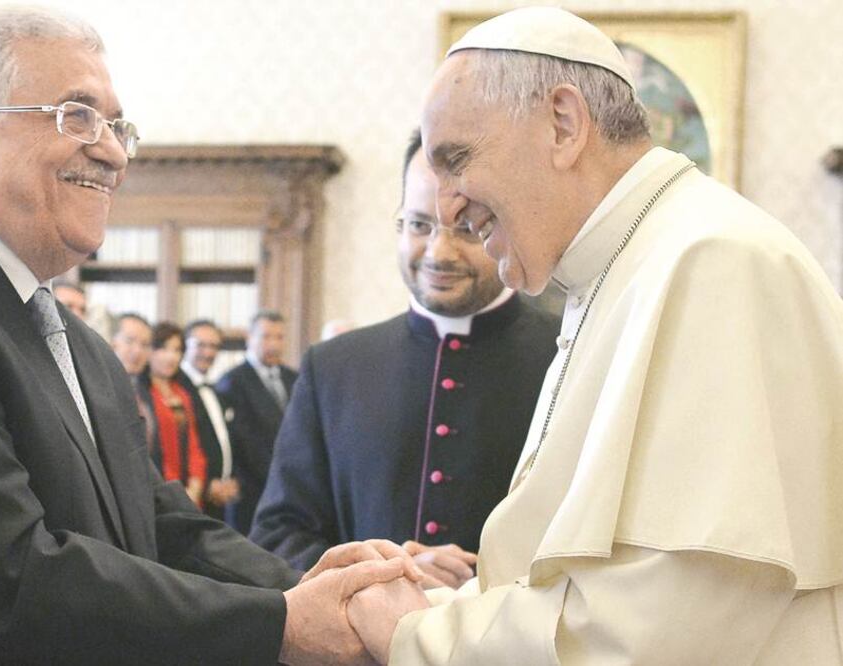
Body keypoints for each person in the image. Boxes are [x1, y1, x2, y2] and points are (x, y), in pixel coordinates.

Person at [0, 7, 421, 664]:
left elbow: (161, 528)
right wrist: (280, 624)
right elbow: (6, 577)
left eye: (116, 125)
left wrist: (315, 589)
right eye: (76, 114)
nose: (111, 151)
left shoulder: (76, 342)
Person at [346, 7, 843, 664]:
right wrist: (433, 606)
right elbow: (561, 585)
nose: (448, 211)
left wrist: (413, 633)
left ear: (562, 124)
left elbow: (667, 627)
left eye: (456, 160)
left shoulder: (711, 262)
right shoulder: (615, 273)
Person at [250, 129, 559, 587]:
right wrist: (384, 575)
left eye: (467, 229)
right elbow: (276, 537)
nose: (439, 252)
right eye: (420, 225)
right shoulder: (334, 367)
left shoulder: (568, 356)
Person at [216, 310, 298, 535]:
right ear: (249, 338)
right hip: (251, 494)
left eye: (279, 337)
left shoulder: (294, 378)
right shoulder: (231, 381)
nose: (273, 344)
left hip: (291, 493)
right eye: (266, 336)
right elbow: (242, 440)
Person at [178, 318, 241, 522]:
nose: (208, 352)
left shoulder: (217, 390)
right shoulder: (176, 388)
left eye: (214, 346)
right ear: (185, 346)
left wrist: (230, 481)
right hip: (189, 498)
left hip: (219, 502)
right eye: (201, 345)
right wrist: (206, 485)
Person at [145, 322, 207, 507]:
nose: (171, 357)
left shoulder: (183, 394)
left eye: (177, 350)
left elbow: (194, 446)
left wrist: (195, 487)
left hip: (187, 492)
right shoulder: (140, 394)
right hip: (156, 491)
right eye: (163, 349)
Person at [111, 312, 160, 467]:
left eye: (145, 345)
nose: (137, 351)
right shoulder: (96, 389)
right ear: (111, 342)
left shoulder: (146, 391)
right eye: (130, 341)